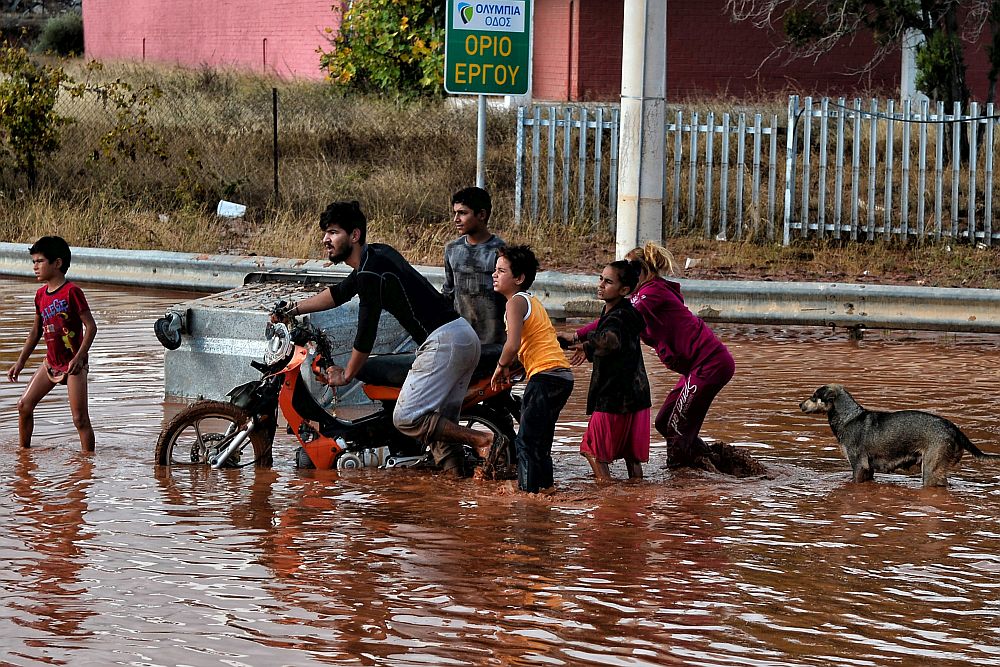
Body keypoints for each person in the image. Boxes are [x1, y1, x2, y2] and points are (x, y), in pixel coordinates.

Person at [277, 201, 495, 476]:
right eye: (325, 233)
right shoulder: (377, 256)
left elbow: (365, 334)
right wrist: (293, 310)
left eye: (333, 232)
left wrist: (346, 375)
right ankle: (454, 492)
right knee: (439, 428)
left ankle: (482, 440)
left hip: (443, 343)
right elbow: (338, 293)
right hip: (460, 335)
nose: (325, 240)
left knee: (406, 417)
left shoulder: (369, 273)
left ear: (354, 235)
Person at [624, 241, 735, 469]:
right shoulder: (643, 294)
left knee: (677, 428)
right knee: (665, 422)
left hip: (709, 364)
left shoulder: (651, 291)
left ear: (643, 271)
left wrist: (579, 336)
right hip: (695, 368)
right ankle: (710, 463)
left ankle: (680, 480)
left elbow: (620, 320)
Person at [491, 245, 574, 494]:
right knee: (540, 441)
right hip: (560, 376)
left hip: (545, 376)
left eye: (501, 271)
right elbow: (532, 343)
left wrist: (500, 366)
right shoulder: (530, 301)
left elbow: (512, 344)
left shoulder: (515, 302)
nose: (494, 275)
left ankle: (527, 498)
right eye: (495, 270)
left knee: (526, 442)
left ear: (519, 278)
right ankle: (546, 490)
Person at [561, 260, 651, 482]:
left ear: (624, 290)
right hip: (638, 396)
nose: (601, 284)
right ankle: (633, 506)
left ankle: (607, 501)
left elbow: (610, 341)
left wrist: (588, 345)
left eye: (608, 281)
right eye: (601, 278)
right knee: (632, 458)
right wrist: (584, 342)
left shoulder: (616, 317)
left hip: (613, 397)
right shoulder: (626, 312)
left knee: (592, 450)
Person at [7, 236, 98, 452]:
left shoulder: (72, 292)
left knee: (79, 419)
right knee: (24, 405)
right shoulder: (40, 296)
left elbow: (91, 327)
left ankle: (88, 465)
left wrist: (79, 358)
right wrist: (20, 362)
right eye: (33, 262)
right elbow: (36, 331)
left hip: (73, 365)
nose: (35, 267)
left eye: (39, 261)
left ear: (57, 263)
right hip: (51, 363)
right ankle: (24, 454)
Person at [441, 186, 506, 345]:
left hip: (495, 342)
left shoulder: (500, 252)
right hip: (461, 340)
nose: (456, 219)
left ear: (482, 215)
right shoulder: (452, 250)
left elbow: (512, 298)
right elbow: (448, 293)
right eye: (455, 213)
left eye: (463, 213)